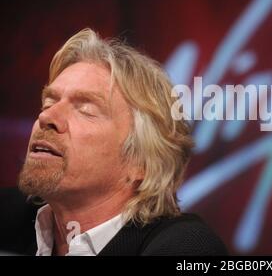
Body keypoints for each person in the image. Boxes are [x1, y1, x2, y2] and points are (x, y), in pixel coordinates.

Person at [0, 28, 228, 256]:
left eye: (85, 109)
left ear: (141, 160)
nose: (46, 117)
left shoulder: (188, 247)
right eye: (49, 103)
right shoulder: (11, 216)